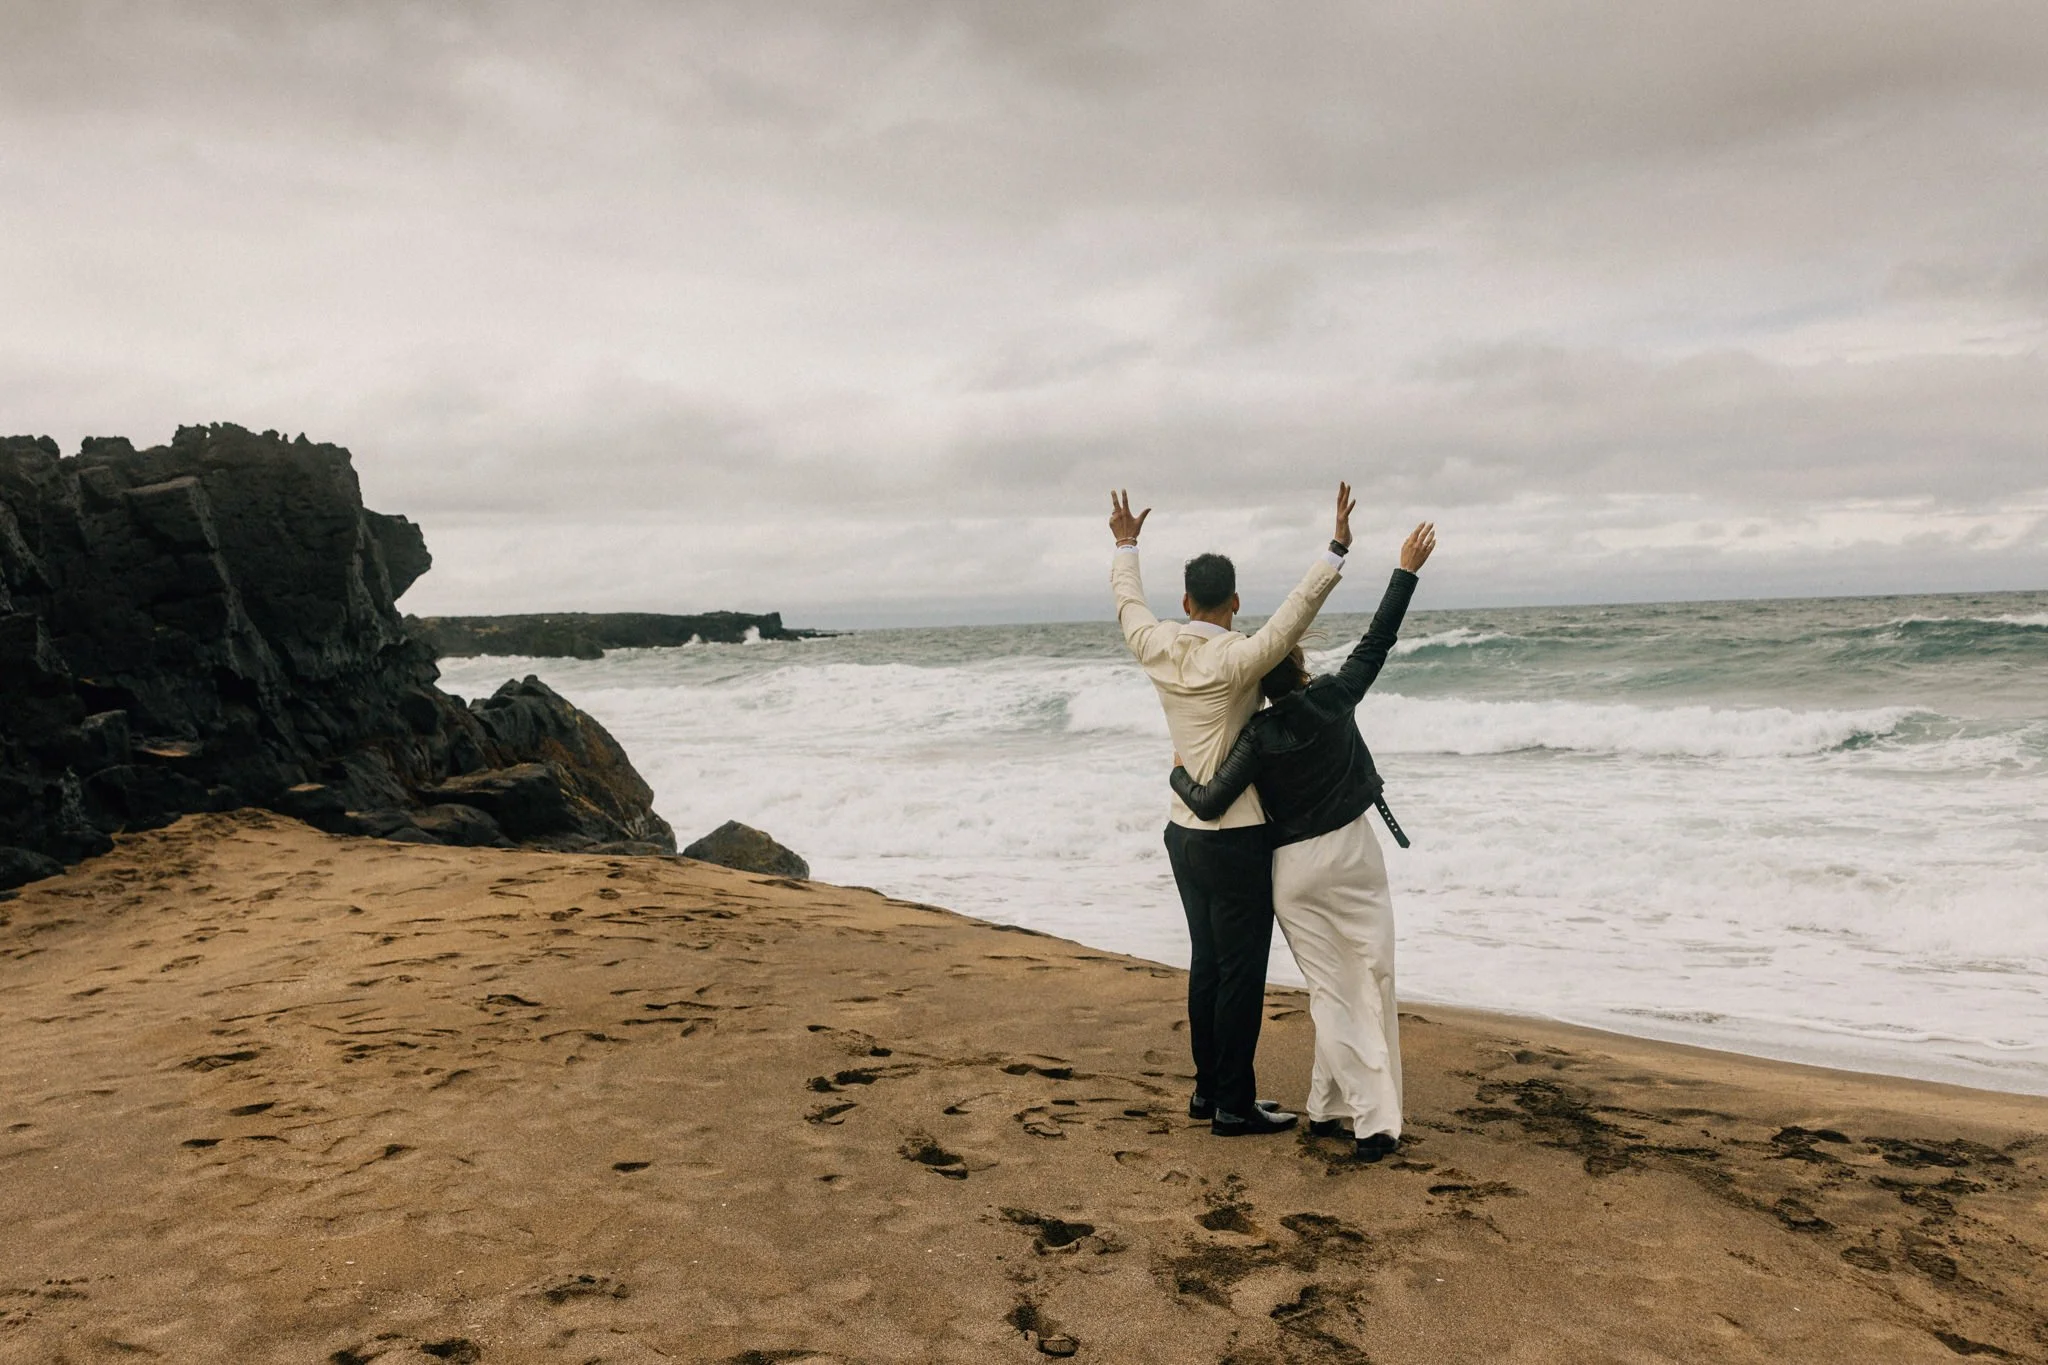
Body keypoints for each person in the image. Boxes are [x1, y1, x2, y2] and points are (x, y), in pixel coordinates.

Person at [1170, 522, 1436, 1162]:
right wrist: (1406, 569)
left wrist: (1178, 769)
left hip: (1292, 870)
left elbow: (1208, 801)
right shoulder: (1338, 696)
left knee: (1330, 986)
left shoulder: (1256, 737)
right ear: (1304, 665)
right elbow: (1379, 639)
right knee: (1371, 977)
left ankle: (1328, 1105)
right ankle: (1375, 1121)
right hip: (1354, 856)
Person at [1110, 485, 1355, 1136]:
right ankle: (1233, 1104)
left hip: (1181, 832)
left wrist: (1126, 543)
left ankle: (1205, 1091)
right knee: (1240, 971)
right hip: (1236, 836)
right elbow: (1292, 620)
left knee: (1206, 961)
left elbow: (1128, 604)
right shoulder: (1241, 656)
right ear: (1235, 602)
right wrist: (1334, 550)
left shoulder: (1158, 645)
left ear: (1187, 601)